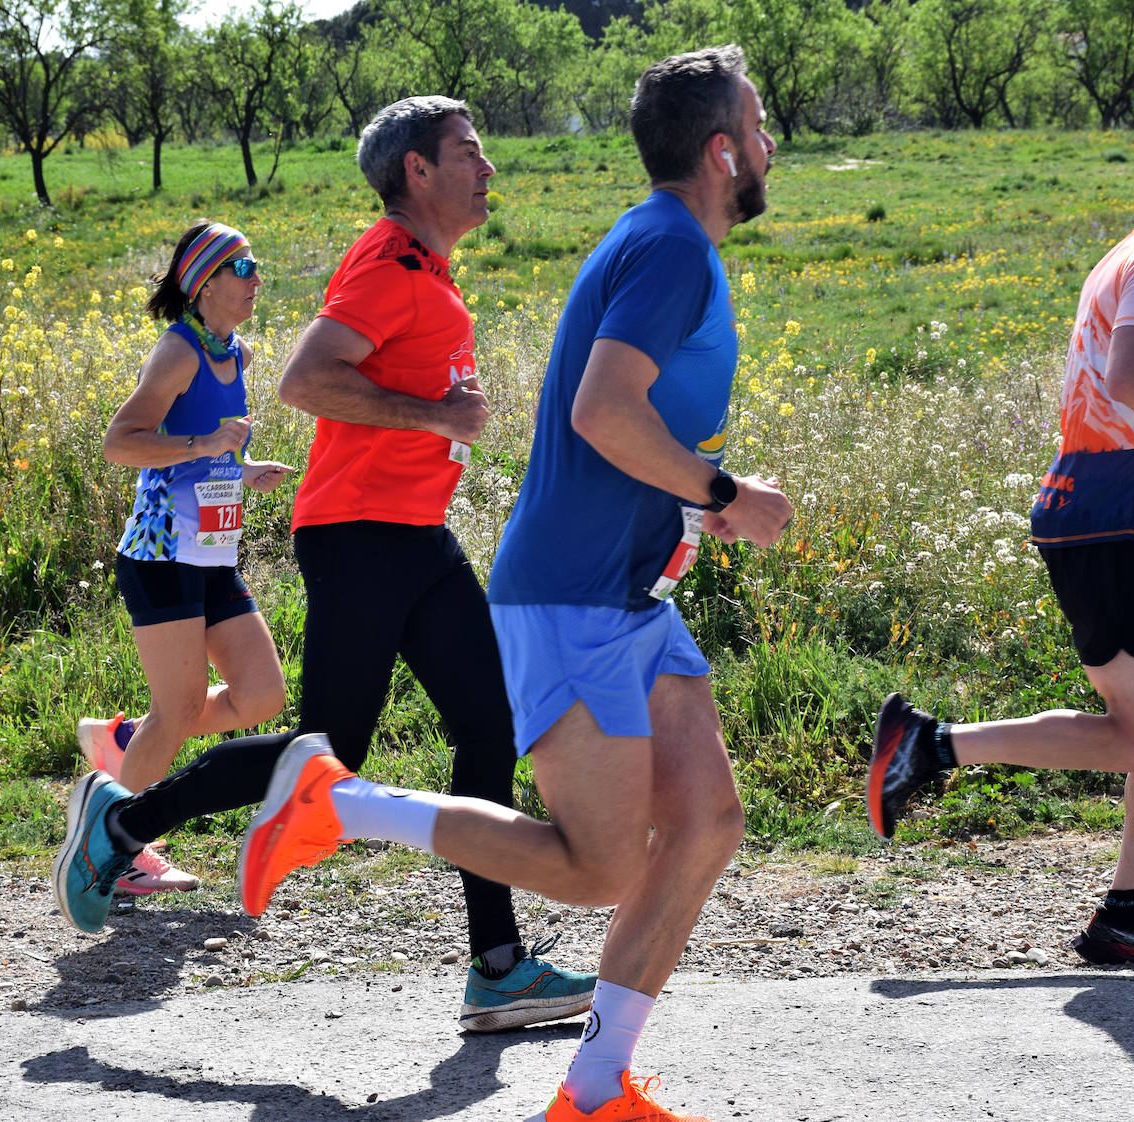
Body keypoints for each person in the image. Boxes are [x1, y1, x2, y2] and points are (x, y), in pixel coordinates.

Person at [235, 46, 786, 1119]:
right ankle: (337, 802)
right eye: (761, 127)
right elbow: (602, 413)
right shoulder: (670, 250)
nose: (772, 145)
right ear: (722, 152)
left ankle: (594, 1087)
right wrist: (723, 493)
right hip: (573, 598)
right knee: (596, 867)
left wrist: (682, 508)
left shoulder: (665, 240)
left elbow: (619, 425)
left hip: (623, 596)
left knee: (709, 822)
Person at [54, 97, 595, 1033]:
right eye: (469, 152)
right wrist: (434, 416)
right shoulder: (387, 263)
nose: (489, 167)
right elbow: (307, 380)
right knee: (328, 752)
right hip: (359, 534)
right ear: (416, 172)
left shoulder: (432, 270)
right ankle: (122, 825)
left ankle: (497, 963)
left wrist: (440, 407)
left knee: (487, 719)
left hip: (414, 533)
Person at [865, 106, 1134, 965]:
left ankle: (1129, 906)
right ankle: (931, 745)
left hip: (1129, 511)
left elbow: (1121, 400)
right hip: (1112, 524)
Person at [76, 221, 292, 896]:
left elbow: (212, 447)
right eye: (245, 266)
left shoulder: (236, 352)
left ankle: (124, 744)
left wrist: (244, 466)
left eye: (257, 265)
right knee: (180, 711)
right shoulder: (177, 354)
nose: (258, 278)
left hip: (211, 552)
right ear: (206, 283)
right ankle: (115, 848)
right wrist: (205, 444)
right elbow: (122, 443)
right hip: (162, 552)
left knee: (261, 695)